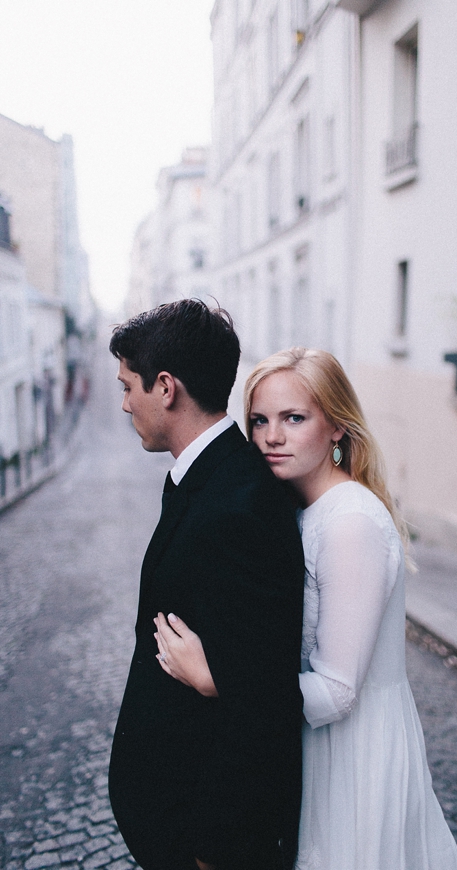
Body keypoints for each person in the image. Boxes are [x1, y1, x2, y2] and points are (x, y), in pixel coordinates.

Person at [158, 346, 457, 870]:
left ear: (338, 428)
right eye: (259, 421)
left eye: (293, 419)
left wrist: (218, 680)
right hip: (310, 745)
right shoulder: (304, 509)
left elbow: (339, 691)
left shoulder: (350, 523)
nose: (271, 437)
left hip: (350, 756)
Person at [107, 301, 305, 870]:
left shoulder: (239, 504)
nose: (123, 403)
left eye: (127, 386)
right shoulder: (208, 476)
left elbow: (258, 706)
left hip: (203, 842)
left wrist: (214, 854)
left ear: (165, 387)